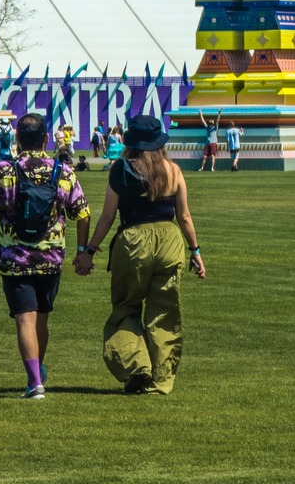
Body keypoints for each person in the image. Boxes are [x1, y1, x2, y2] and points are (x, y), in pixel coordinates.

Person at [74, 115, 205, 395]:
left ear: (130, 141)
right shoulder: (173, 170)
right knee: (164, 314)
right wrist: (195, 251)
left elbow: (108, 216)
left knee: (126, 308)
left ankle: (137, 368)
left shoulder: (120, 170)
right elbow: (183, 216)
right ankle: (161, 380)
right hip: (170, 240)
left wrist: (89, 251)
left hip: (133, 242)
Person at [0, 112, 91, 400]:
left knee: (25, 319)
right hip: (51, 257)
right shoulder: (63, 172)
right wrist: (80, 250)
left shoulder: (1, 172)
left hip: (14, 257)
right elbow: (83, 214)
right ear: (46, 138)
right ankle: (37, 371)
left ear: (16, 139)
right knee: (41, 319)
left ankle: (34, 381)